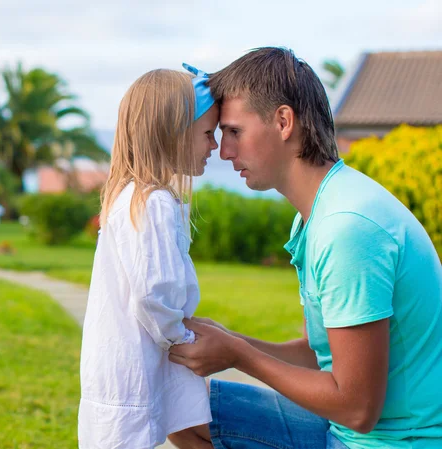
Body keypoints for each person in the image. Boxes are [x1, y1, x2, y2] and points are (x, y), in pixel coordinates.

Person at [168, 47, 442, 449]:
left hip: (391, 442)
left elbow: (357, 410)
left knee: (186, 409)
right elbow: (320, 356)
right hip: (348, 428)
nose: (224, 152)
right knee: (180, 407)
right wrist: (232, 339)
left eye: (234, 131)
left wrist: (240, 355)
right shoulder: (319, 213)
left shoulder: (346, 229)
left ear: (283, 121)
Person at [78, 64, 220, 449]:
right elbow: (155, 291)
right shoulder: (153, 202)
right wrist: (181, 336)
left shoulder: (133, 197)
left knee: (187, 430)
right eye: (208, 133)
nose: (215, 146)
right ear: (171, 134)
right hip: (136, 366)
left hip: (129, 360)